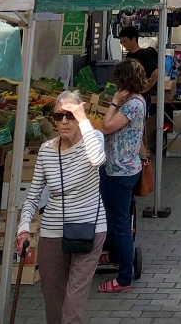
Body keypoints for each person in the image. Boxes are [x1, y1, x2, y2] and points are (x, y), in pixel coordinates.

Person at [18, 91, 106, 324]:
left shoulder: (94, 138)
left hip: (90, 229)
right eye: (59, 116)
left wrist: (83, 119)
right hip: (52, 233)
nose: (65, 121)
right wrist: (23, 227)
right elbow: (33, 194)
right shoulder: (47, 150)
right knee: (54, 306)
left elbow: (97, 160)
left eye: (70, 115)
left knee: (72, 308)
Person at [97, 60, 147, 293]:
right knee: (116, 219)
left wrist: (113, 102)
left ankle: (124, 278)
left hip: (120, 169)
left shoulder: (130, 105)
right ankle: (116, 255)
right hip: (123, 167)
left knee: (119, 224)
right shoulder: (138, 102)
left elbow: (107, 127)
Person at [118, 26, 160, 105]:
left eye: (125, 41)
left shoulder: (144, 54)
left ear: (133, 39)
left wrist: (144, 89)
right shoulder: (128, 55)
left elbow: (155, 73)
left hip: (141, 97)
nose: (123, 44)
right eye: (121, 42)